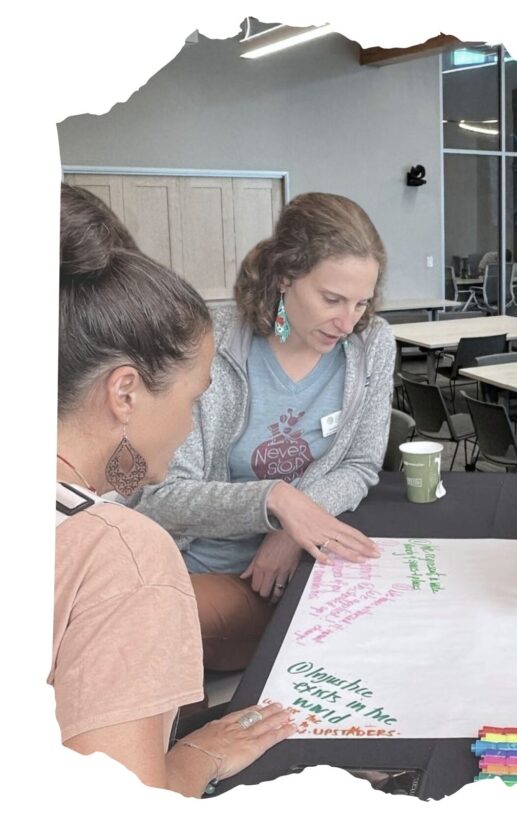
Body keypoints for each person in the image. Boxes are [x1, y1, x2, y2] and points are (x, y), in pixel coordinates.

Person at [55, 183, 294, 796]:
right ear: (125, 392)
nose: (191, 424)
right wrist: (197, 757)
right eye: (192, 398)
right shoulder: (122, 555)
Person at [131, 192, 396, 671]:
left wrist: (294, 529)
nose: (347, 321)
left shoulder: (371, 341)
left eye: (361, 302)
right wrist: (274, 502)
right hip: (210, 568)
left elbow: (360, 464)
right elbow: (157, 497)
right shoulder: (207, 341)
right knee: (143, 625)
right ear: (283, 278)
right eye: (332, 299)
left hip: (313, 565)